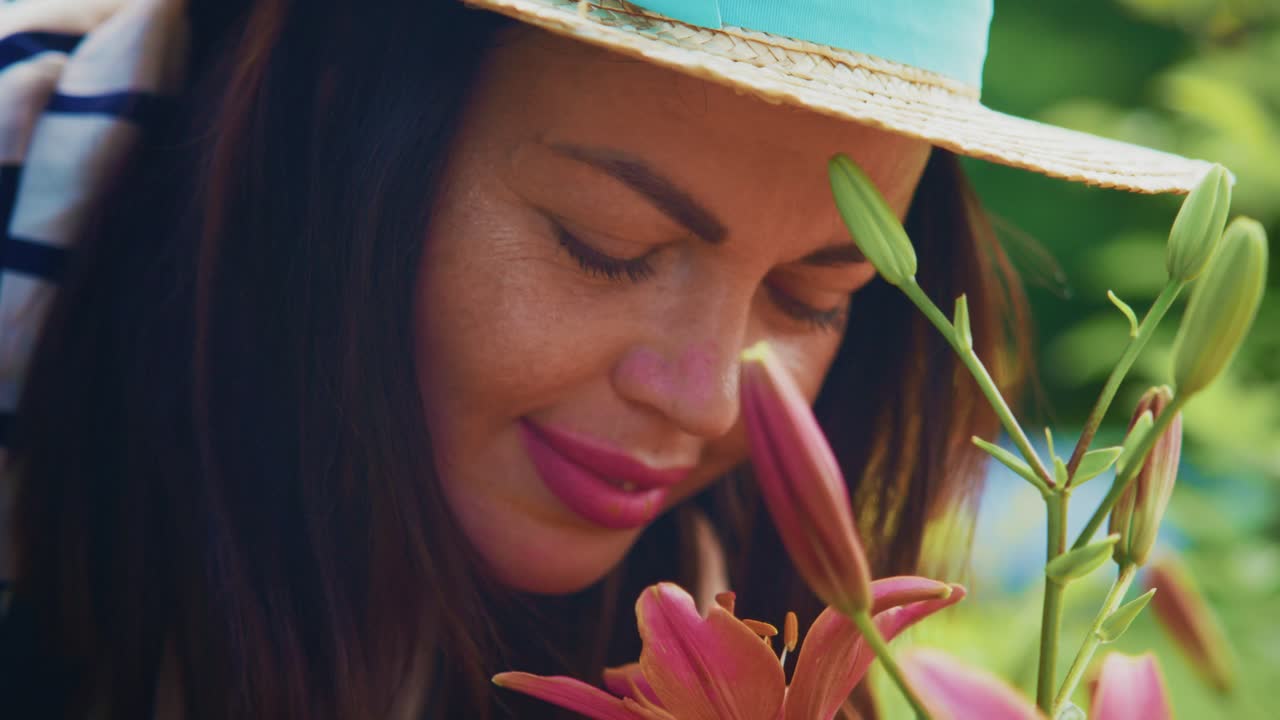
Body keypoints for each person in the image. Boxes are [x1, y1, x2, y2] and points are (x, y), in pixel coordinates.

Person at [0, 0, 1215, 718]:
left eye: (812, 294)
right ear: (335, 113)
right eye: (606, 245)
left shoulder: (693, 574)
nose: (706, 405)